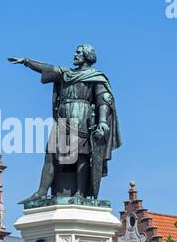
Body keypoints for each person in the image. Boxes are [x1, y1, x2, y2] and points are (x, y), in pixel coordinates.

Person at [9, 44, 121, 200]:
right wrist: (27, 62)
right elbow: (47, 68)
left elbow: (104, 101)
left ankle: (80, 193)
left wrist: (102, 121)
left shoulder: (96, 77)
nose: (75, 55)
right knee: (51, 154)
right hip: (62, 120)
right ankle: (41, 192)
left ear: (87, 56)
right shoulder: (67, 74)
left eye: (79, 53)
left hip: (82, 118)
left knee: (81, 157)